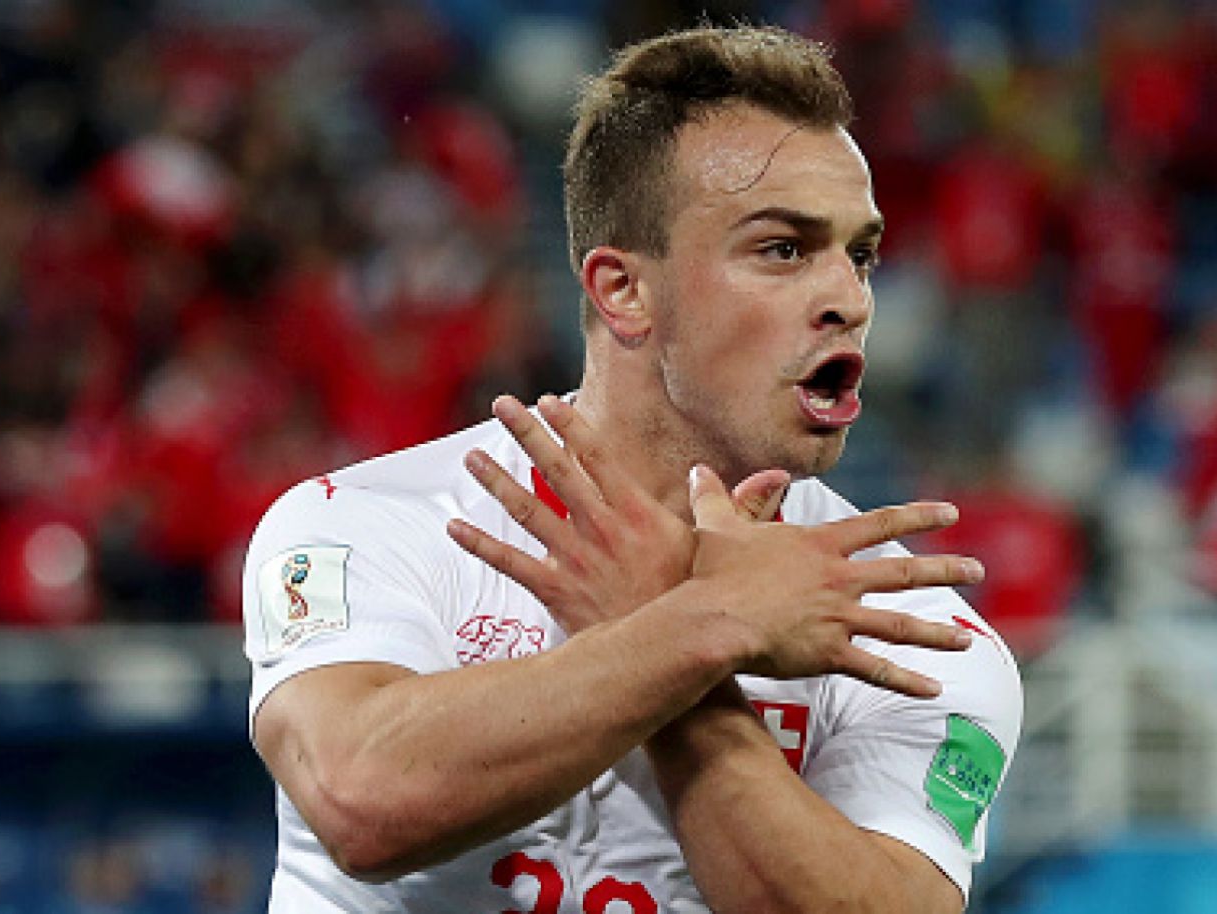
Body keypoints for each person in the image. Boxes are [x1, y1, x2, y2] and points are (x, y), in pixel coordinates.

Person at [241, 25, 1022, 913]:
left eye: (861, 254)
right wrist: (700, 625)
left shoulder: (911, 629)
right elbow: (361, 799)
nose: (849, 297)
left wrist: (671, 633)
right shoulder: (368, 520)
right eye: (783, 249)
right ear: (622, 291)